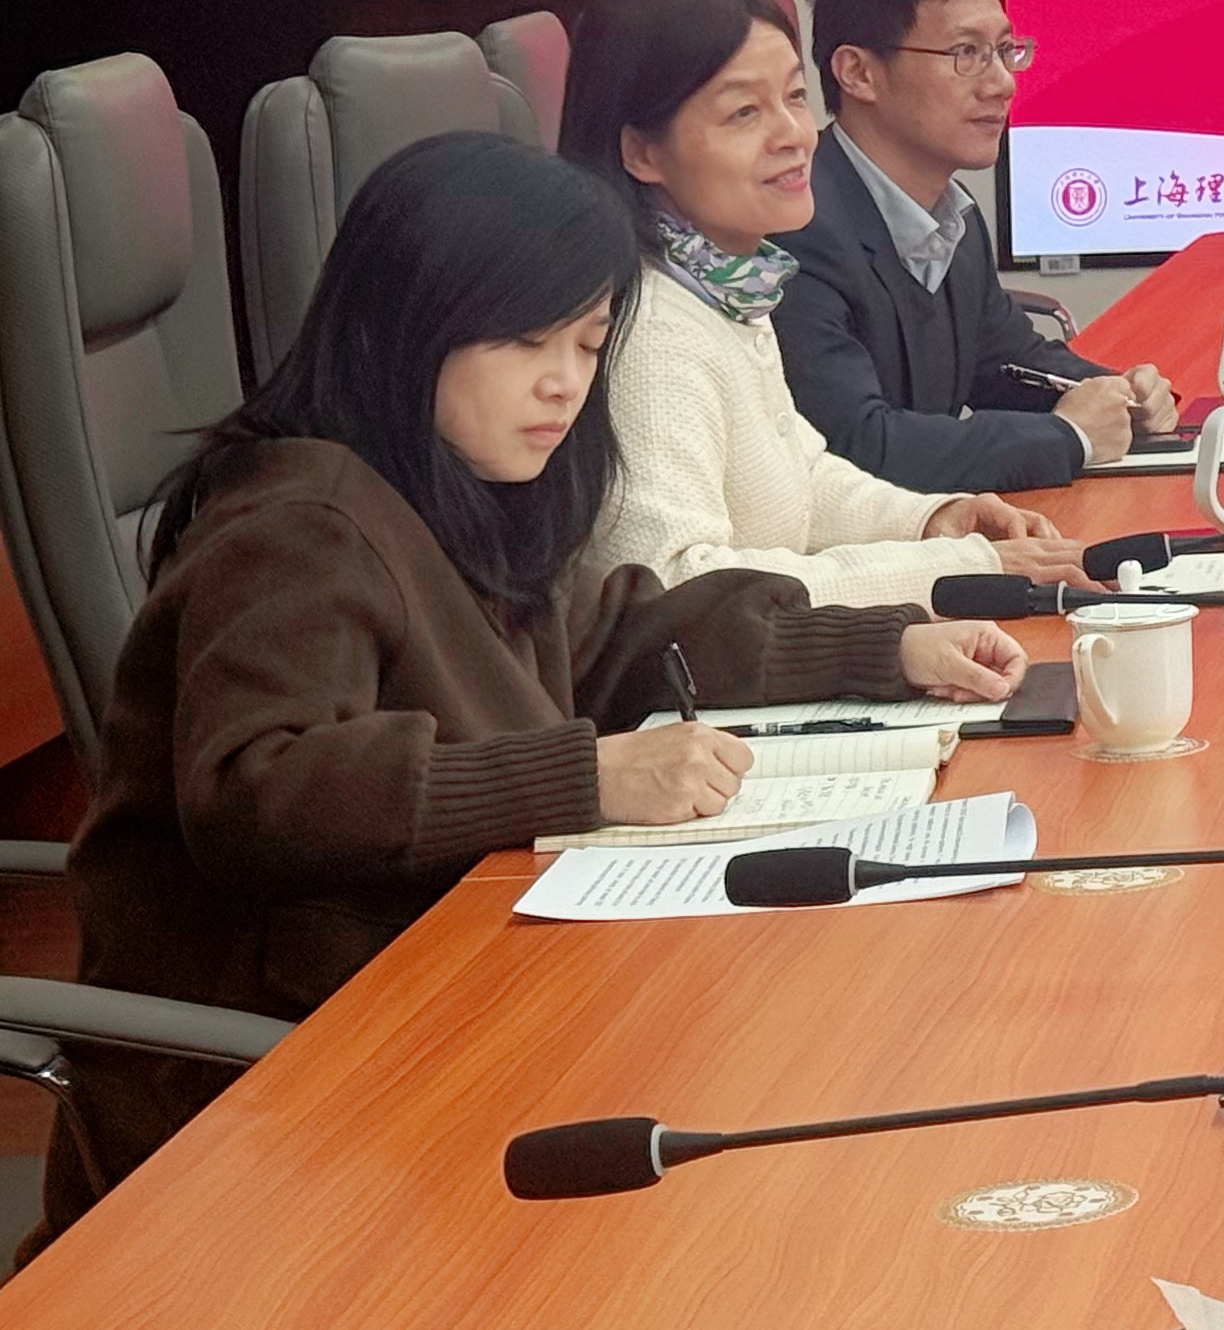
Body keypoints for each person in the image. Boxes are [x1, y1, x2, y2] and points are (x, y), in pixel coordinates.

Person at [27, 133, 1024, 1249]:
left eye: (589, 344)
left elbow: (619, 636)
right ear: (409, 321)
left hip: (446, 1003)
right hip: (277, 1114)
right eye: (523, 341)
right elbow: (264, 790)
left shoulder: (454, 486)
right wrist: (583, 775)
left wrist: (883, 648)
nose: (565, 382)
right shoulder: (299, 525)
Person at [561, 0, 1095, 604]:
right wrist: (953, 569)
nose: (793, 135)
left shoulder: (729, 284)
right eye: (744, 112)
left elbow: (804, 480)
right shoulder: (650, 333)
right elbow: (675, 587)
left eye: (793, 97)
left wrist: (933, 520)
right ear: (643, 153)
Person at [775, 0, 1177, 490]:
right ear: (859, 73)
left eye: (1005, 51)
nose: (1003, 84)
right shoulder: (797, 228)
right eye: (966, 53)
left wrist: (1117, 393)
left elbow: (1005, 361)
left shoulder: (954, 217)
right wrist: (1070, 437)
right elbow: (856, 446)